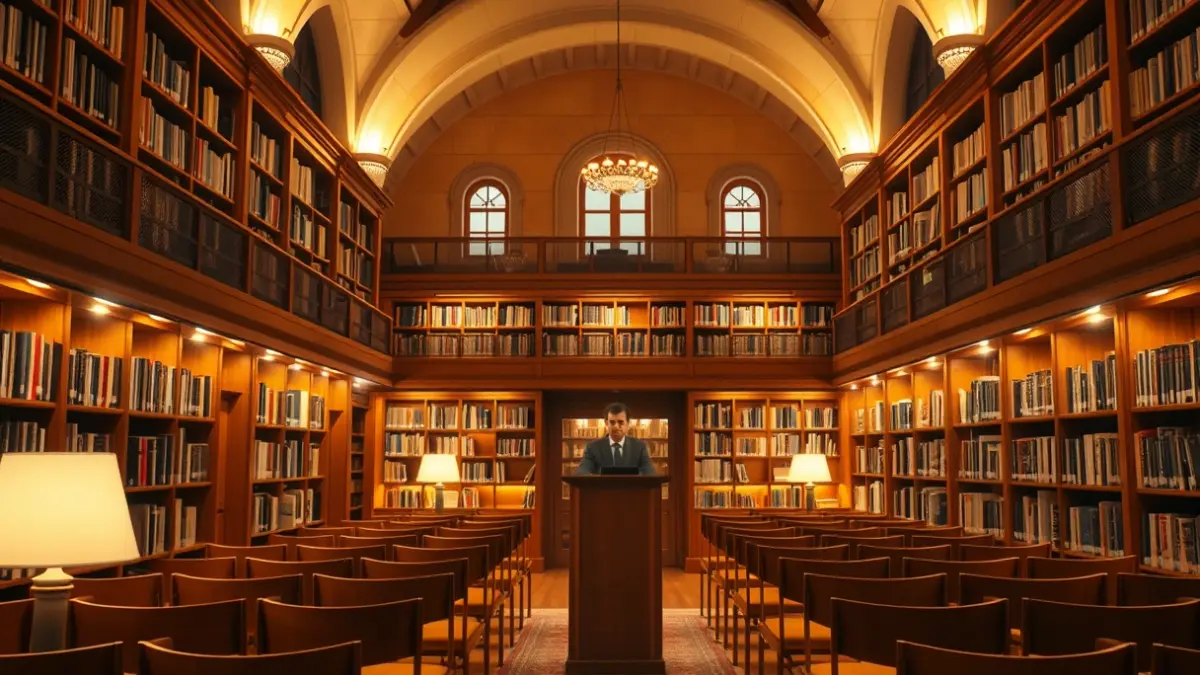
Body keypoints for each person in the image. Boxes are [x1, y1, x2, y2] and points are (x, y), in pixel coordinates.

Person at [575, 402, 656, 475]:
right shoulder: (593, 447)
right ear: (606, 423)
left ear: (628, 423)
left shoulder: (639, 447)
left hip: (631, 490)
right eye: (612, 422)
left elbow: (650, 473)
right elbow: (581, 472)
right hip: (602, 491)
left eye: (620, 422)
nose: (616, 426)